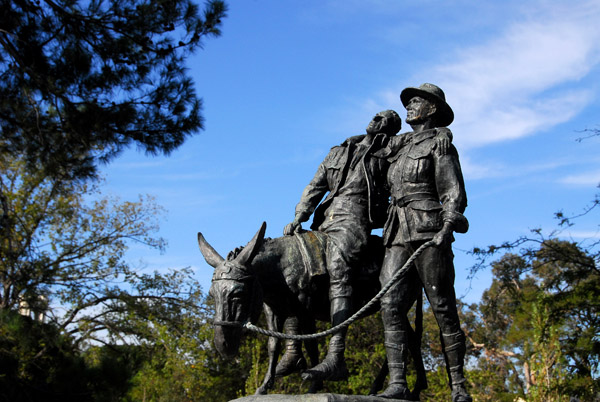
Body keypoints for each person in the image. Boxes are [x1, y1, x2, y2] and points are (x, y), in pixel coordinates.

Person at [283, 110, 403, 381]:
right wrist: (299, 216)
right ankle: (293, 350)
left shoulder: (391, 151)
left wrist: (443, 134)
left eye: (386, 119)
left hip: (356, 217)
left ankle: (336, 357)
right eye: (377, 115)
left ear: (391, 130)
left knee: (339, 266)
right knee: (293, 268)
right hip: (324, 218)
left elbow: (423, 140)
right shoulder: (340, 150)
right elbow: (315, 186)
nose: (377, 118)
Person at [378, 83, 472, 402]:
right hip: (396, 233)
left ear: (431, 109)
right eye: (409, 102)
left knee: (442, 306)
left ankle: (458, 386)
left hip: (428, 230)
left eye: (416, 102)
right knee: (389, 304)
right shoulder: (398, 146)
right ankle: (397, 382)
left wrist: (447, 226)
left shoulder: (440, 143)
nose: (409, 106)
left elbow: (452, 190)